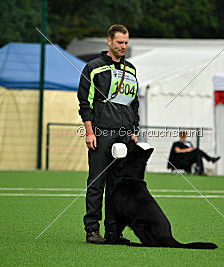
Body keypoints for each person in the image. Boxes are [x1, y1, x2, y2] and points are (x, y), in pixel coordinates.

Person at [77, 24, 139, 244]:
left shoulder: (131, 70)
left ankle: (114, 232)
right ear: (109, 41)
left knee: (117, 186)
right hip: (101, 134)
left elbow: (134, 103)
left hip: (124, 135)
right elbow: (85, 102)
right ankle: (92, 230)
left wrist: (133, 131)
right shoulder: (93, 67)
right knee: (97, 182)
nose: (123, 46)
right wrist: (89, 132)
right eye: (120, 42)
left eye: (126, 42)